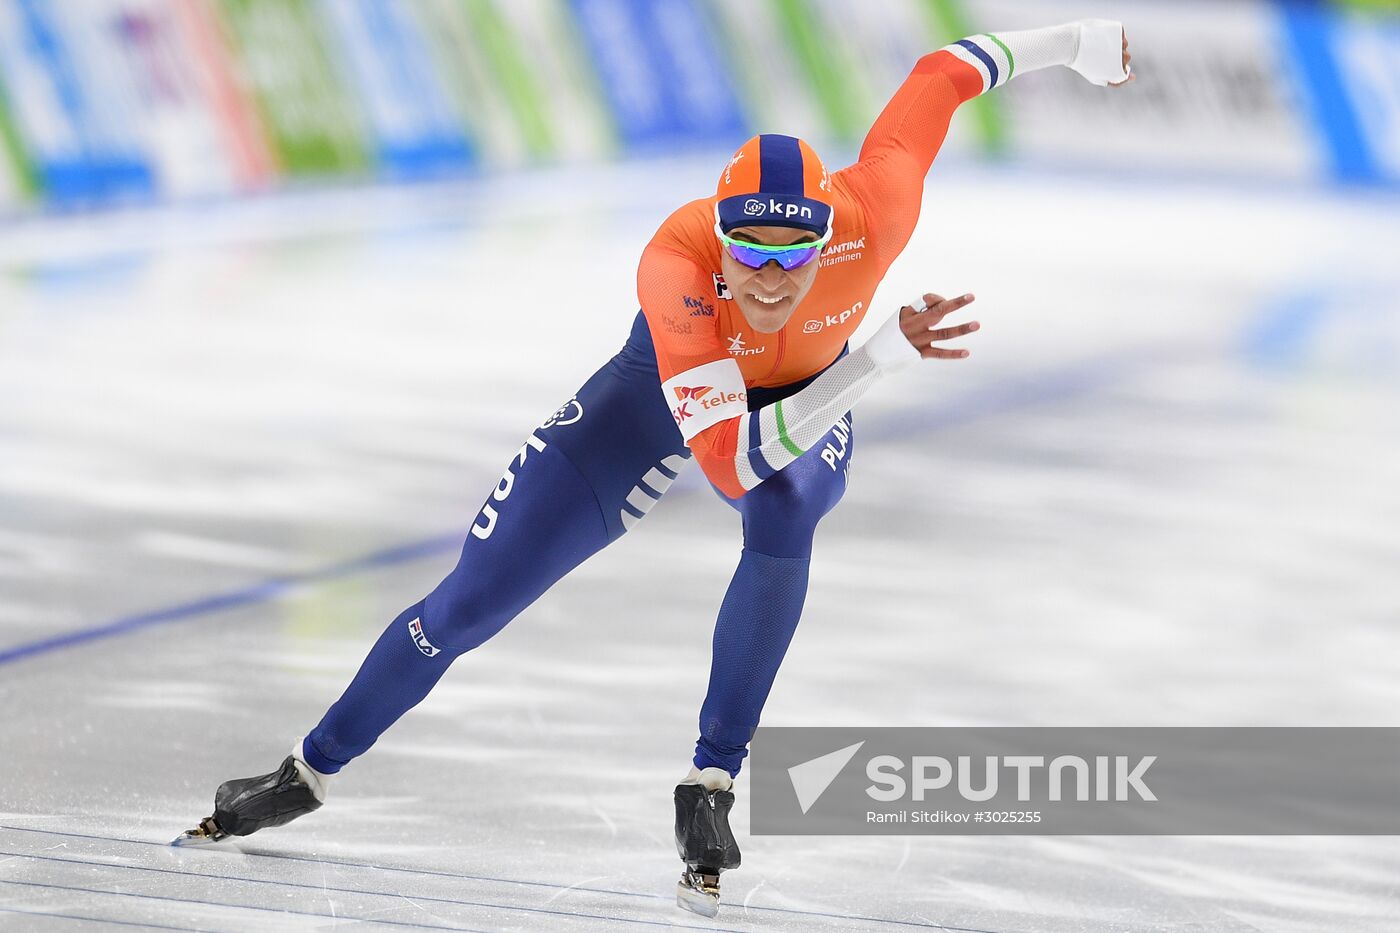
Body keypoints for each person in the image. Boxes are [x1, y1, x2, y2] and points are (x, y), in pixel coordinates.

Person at [177, 19, 1133, 917]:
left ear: (826, 232)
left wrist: (1077, 43)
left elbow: (946, 72)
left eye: (792, 252)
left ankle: (711, 777)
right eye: (747, 251)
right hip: (662, 391)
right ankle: (308, 769)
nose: (768, 277)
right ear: (719, 236)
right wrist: (874, 358)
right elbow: (730, 462)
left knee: (789, 504)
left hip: (799, 397)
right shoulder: (677, 261)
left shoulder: (876, 208)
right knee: (467, 604)